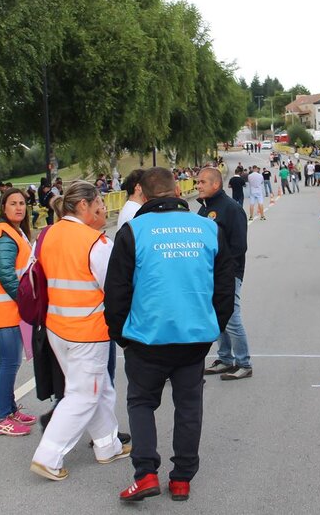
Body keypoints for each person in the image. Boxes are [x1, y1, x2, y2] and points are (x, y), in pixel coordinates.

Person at [105, 167, 235, 502]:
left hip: (147, 336)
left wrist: (121, 334)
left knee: (141, 402)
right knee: (189, 405)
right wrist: (214, 327)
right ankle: (181, 478)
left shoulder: (133, 231)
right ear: (178, 190)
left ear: (143, 195)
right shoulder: (208, 228)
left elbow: (116, 291)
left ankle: (146, 473)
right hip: (194, 336)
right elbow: (224, 289)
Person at [30, 181, 129, 481]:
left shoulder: (47, 235)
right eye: (98, 200)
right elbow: (114, 287)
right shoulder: (95, 243)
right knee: (84, 394)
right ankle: (49, 456)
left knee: (97, 388)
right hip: (88, 328)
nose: (102, 205)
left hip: (57, 327)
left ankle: (107, 445)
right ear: (83, 205)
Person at [0, 187, 37, 437]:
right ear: (3, 207)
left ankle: (11, 409)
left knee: (12, 363)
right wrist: (25, 302)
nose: (18, 207)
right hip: (6, 309)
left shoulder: (15, 232)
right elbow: (6, 275)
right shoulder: (4, 236)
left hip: (11, 308)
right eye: (13, 203)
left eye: (22, 203)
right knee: (9, 363)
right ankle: (2, 417)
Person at [197, 168, 253, 381]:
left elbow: (239, 247)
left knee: (231, 317)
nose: (198, 186)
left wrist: (225, 273)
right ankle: (225, 358)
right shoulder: (203, 210)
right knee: (217, 315)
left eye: (202, 182)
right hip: (208, 273)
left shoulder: (231, 209)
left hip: (228, 274)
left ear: (216, 185)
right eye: (197, 182)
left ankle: (243, 363)